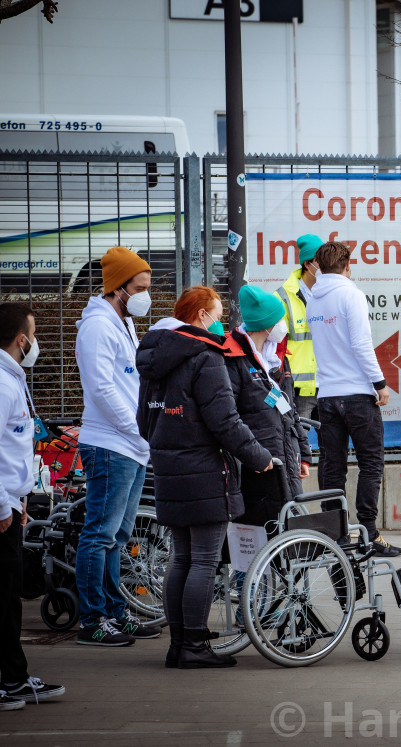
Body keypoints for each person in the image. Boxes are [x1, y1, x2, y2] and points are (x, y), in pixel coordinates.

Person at [136, 286, 275, 668]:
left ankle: (179, 644)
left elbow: (143, 420)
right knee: (203, 561)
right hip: (205, 470)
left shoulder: (155, 356)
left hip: (169, 466)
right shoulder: (206, 356)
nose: (220, 325)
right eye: (216, 316)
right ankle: (194, 646)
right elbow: (225, 422)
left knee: (182, 559)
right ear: (200, 316)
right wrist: (260, 457)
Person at [74, 246, 161, 646]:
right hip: (112, 444)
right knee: (100, 535)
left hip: (131, 444)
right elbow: (102, 388)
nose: (146, 295)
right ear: (117, 287)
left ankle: (114, 612)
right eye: (140, 287)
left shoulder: (121, 323)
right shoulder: (96, 327)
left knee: (119, 537)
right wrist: (136, 429)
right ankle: (91, 620)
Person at [306, 241, 401, 557]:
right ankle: (370, 535)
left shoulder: (313, 300)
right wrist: (380, 384)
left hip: (328, 395)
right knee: (371, 463)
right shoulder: (352, 295)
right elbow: (362, 345)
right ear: (348, 266)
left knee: (332, 466)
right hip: (358, 395)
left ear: (318, 266)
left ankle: (334, 536)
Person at [0, 304, 65, 708]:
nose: (36, 343)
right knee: (4, 597)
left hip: (10, 505)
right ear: (22, 340)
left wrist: (17, 499)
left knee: (7, 597)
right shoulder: (3, 385)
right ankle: (11, 680)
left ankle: (13, 677)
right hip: (2, 511)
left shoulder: (11, 380)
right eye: (35, 334)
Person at [227, 285, 311, 528]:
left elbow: (290, 410)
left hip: (287, 459)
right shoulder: (235, 359)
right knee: (259, 532)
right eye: (279, 319)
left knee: (290, 534)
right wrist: (254, 456)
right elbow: (228, 415)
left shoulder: (278, 358)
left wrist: (303, 456)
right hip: (258, 464)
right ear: (266, 325)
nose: (283, 325)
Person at [274, 233, 321, 420]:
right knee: (297, 443)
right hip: (298, 387)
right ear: (307, 265)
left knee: (333, 444)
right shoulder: (283, 297)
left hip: (330, 383)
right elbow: (275, 345)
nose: (326, 267)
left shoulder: (333, 292)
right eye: (321, 261)